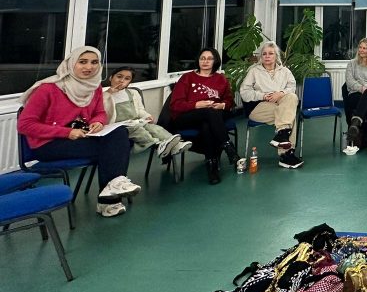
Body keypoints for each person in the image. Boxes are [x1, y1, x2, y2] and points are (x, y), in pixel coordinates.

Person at [18, 46, 139, 217]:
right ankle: (109, 200)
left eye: (94, 62)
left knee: (120, 134)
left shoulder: (94, 87)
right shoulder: (48, 89)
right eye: (82, 62)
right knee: (115, 150)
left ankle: (114, 186)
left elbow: (99, 113)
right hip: (48, 144)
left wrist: (98, 121)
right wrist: (66, 132)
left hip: (81, 137)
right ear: (71, 64)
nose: (89, 67)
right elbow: (24, 125)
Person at [168, 47, 240, 185]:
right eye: (202, 58)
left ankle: (212, 166)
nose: (205, 61)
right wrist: (197, 105)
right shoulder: (187, 77)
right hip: (187, 116)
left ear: (215, 61)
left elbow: (229, 101)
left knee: (207, 123)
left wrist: (222, 105)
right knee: (208, 113)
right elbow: (175, 105)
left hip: (213, 117)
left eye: (209, 58)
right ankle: (228, 147)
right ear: (198, 61)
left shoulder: (221, 79)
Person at [104, 66, 191, 161]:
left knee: (155, 128)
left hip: (134, 121)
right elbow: (101, 112)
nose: (122, 80)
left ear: (130, 82)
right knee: (137, 130)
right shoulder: (103, 95)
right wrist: (109, 93)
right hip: (118, 127)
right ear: (111, 77)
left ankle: (175, 145)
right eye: (119, 76)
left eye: (127, 78)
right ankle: (157, 145)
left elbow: (140, 110)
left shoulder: (133, 93)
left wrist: (146, 116)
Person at [239, 41, 303, 170]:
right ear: (261, 56)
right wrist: (262, 95)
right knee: (289, 115)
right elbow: (244, 93)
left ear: (276, 56)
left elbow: (292, 87)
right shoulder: (254, 71)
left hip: (280, 104)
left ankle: (283, 134)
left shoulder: (285, 71)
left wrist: (280, 93)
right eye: (264, 54)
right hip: (258, 107)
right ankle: (286, 154)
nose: (267, 56)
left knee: (291, 99)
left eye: (271, 53)